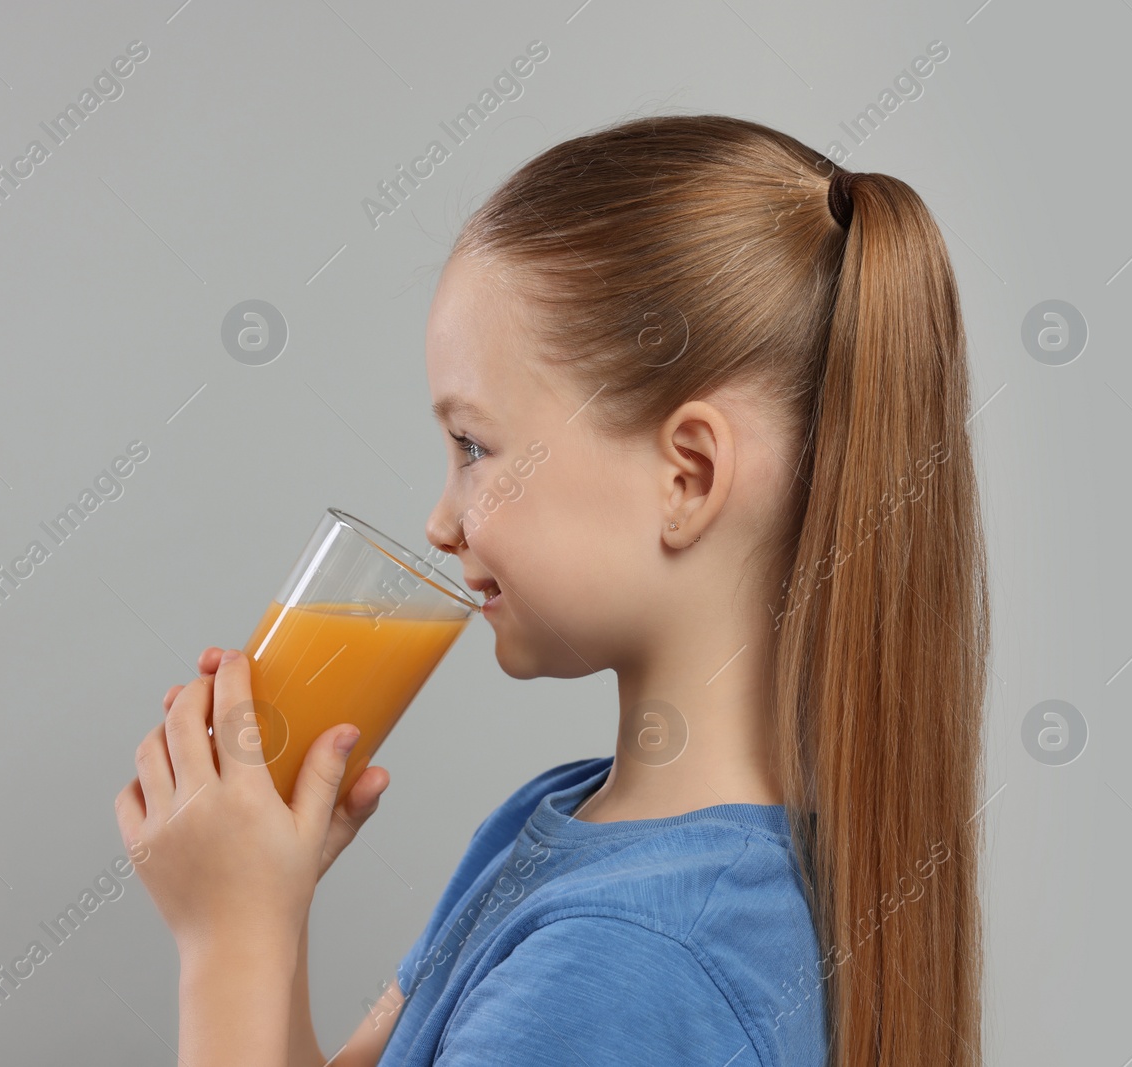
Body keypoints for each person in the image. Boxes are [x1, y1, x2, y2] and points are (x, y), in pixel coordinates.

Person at [117, 113, 990, 1067]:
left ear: (686, 477)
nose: (440, 523)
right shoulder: (567, 823)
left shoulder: (624, 964)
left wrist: (226, 947)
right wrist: (265, 914)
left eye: (474, 447)